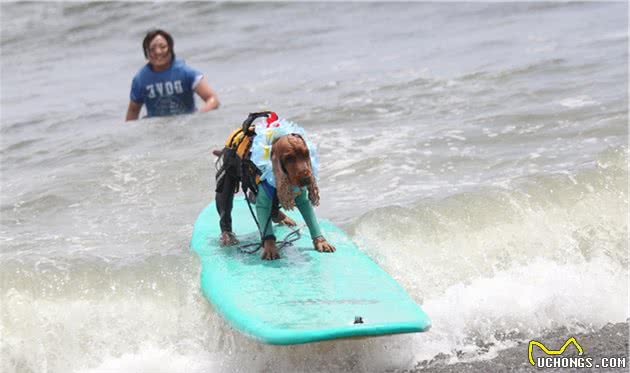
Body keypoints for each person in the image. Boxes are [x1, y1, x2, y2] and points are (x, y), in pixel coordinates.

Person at [125, 29, 219, 121]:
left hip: (186, 125)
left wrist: (198, 117)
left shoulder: (185, 73)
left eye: (163, 47)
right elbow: (133, 111)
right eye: (152, 49)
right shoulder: (140, 80)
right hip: (155, 129)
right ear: (146, 53)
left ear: (171, 48)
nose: (158, 52)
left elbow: (212, 99)